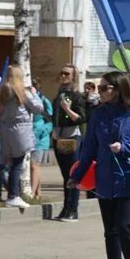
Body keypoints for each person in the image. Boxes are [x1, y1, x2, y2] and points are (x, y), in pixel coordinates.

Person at [69, 71, 130, 259]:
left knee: (124, 226)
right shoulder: (98, 115)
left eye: (105, 88)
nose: (101, 92)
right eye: (100, 88)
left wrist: (125, 148)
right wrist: (76, 176)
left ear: (118, 89)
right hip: (105, 179)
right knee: (110, 230)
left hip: (128, 177)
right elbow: (89, 148)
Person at [0, 65, 45, 211]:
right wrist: (34, 94)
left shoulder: (1, 92)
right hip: (20, 131)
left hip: (5, 129)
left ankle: (11, 191)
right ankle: (13, 195)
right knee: (17, 163)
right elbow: (39, 109)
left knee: (9, 162)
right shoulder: (22, 92)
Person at [51, 65, 87, 222]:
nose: (63, 76)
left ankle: (73, 210)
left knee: (73, 174)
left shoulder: (77, 96)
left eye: (67, 73)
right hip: (58, 136)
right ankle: (66, 208)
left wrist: (67, 109)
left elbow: (81, 118)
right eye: (62, 72)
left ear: (73, 77)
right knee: (65, 176)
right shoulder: (59, 94)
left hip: (71, 137)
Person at [30, 79, 54, 200]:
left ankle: (31, 193)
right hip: (28, 137)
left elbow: (50, 122)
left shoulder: (44, 101)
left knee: (34, 165)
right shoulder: (27, 100)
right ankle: (38, 193)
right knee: (32, 167)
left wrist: (41, 131)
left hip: (40, 139)